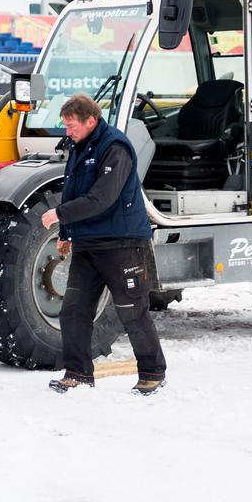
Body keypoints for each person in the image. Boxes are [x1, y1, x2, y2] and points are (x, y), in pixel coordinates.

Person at [40, 94, 167, 396]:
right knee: (73, 310)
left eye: (71, 126)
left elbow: (101, 198)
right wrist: (66, 233)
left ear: (91, 121)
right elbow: (73, 191)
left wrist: (58, 215)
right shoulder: (79, 145)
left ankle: (153, 372)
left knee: (131, 310)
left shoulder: (115, 148)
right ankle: (77, 373)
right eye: (65, 126)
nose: (67, 131)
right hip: (88, 243)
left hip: (121, 243)